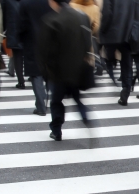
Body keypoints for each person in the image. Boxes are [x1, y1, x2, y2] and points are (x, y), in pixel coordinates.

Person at [37, 0, 94, 141]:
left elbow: (45, 51)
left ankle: (56, 131)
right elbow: (88, 42)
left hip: (58, 72)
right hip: (77, 69)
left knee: (56, 101)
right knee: (77, 99)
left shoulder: (51, 20)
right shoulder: (82, 17)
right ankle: (86, 119)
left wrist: (45, 71)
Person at [100, 0, 139, 106]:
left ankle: (111, 68)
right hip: (128, 33)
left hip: (112, 33)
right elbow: (138, 15)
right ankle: (125, 92)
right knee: (127, 64)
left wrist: (102, 29)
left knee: (109, 57)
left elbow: (107, 13)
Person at [18, 0, 52, 115]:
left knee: (36, 74)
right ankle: (49, 100)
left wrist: (21, 39)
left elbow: (21, 25)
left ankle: (41, 105)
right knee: (50, 71)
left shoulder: (26, 3)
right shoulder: (51, 2)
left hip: (32, 41)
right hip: (50, 39)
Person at [2, 0, 25, 89]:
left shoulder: (8, 2)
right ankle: (32, 77)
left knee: (17, 56)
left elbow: (4, 17)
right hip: (27, 30)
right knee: (29, 54)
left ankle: (21, 81)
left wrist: (3, 29)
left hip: (13, 30)